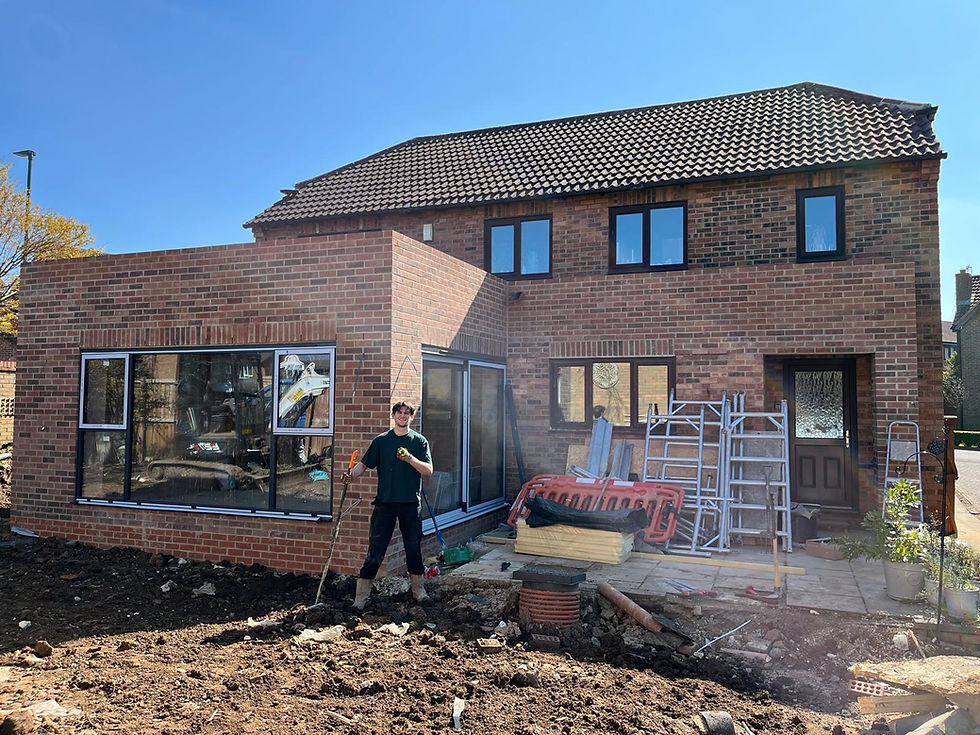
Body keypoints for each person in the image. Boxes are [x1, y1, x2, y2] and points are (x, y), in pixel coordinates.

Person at [346, 400, 433, 609]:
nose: (403, 416)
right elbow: (364, 465)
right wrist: (350, 476)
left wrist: (410, 458)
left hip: (410, 504)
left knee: (413, 548)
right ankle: (361, 597)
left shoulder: (419, 442)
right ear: (393, 415)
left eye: (406, 413)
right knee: (375, 550)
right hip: (384, 504)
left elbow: (428, 471)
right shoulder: (381, 441)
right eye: (399, 412)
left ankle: (418, 591)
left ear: (412, 417)